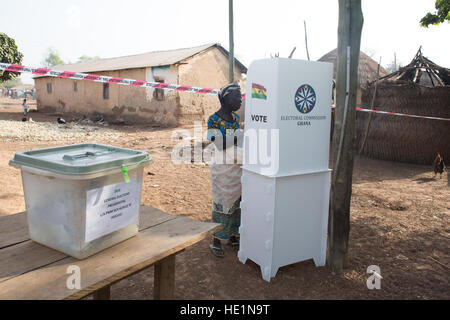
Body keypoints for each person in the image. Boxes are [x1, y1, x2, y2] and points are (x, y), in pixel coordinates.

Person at [206, 83, 244, 258]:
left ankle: (233, 236)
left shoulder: (236, 118)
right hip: (222, 168)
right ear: (227, 98)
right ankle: (216, 239)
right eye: (237, 97)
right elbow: (219, 145)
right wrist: (238, 137)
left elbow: (231, 141)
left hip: (237, 168)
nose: (240, 101)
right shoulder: (213, 120)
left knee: (237, 203)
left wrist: (235, 139)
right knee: (223, 202)